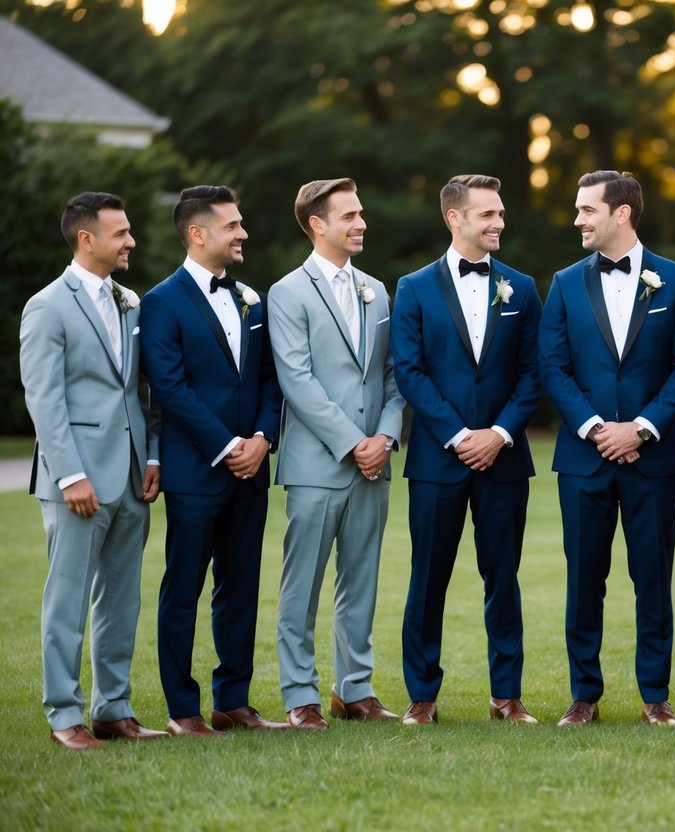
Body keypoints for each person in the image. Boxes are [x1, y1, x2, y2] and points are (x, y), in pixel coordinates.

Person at [539, 170, 675, 727]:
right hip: (583, 459)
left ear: (623, 213)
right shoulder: (563, 283)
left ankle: (655, 697)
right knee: (584, 576)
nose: (578, 219)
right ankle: (583, 695)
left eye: (588, 209)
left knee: (653, 576)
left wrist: (642, 427)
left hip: (653, 458)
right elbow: (553, 367)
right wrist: (594, 428)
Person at [391, 175, 543, 725]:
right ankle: (422, 696)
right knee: (428, 577)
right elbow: (409, 371)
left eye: (500, 213)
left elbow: (533, 372)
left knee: (503, 577)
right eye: (487, 214)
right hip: (437, 460)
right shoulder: (412, 287)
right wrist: (458, 436)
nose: (499, 222)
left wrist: (498, 434)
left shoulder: (521, 288)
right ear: (454, 218)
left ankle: (507, 694)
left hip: (504, 459)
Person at [20, 191, 166, 750]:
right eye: (121, 233)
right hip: (77, 481)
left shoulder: (130, 301)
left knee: (121, 597)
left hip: (132, 477)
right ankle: (64, 715)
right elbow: (45, 398)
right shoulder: (47, 306)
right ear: (87, 238)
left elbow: (144, 390)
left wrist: (152, 456)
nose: (131, 241)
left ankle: (114, 709)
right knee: (68, 597)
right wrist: (68, 475)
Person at [141, 185, 286, 737]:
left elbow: (272, 379)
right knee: (183, 589)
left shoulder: (251, 296)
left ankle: (234, 700)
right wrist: (228, 448)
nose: (243, 233)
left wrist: (262, 439)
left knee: (241, 586)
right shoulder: (160, 302)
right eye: (233, 226)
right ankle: (183, 710)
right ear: (198, 234)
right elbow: (171, 389)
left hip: (253, 468)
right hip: (196, 473)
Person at [269, 178, 405, 730]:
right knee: (301, 585)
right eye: (348, 215)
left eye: (362, 213)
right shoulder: (287, 292)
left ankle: (354, 689)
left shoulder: (378, 290)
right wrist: (354, 443)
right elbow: (296, 381)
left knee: (362, 580)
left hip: (375, 463)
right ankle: (299, 695)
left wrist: (386, 438)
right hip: (316, 465)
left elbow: (394, 378)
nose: (361, 223)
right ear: (317, 224)